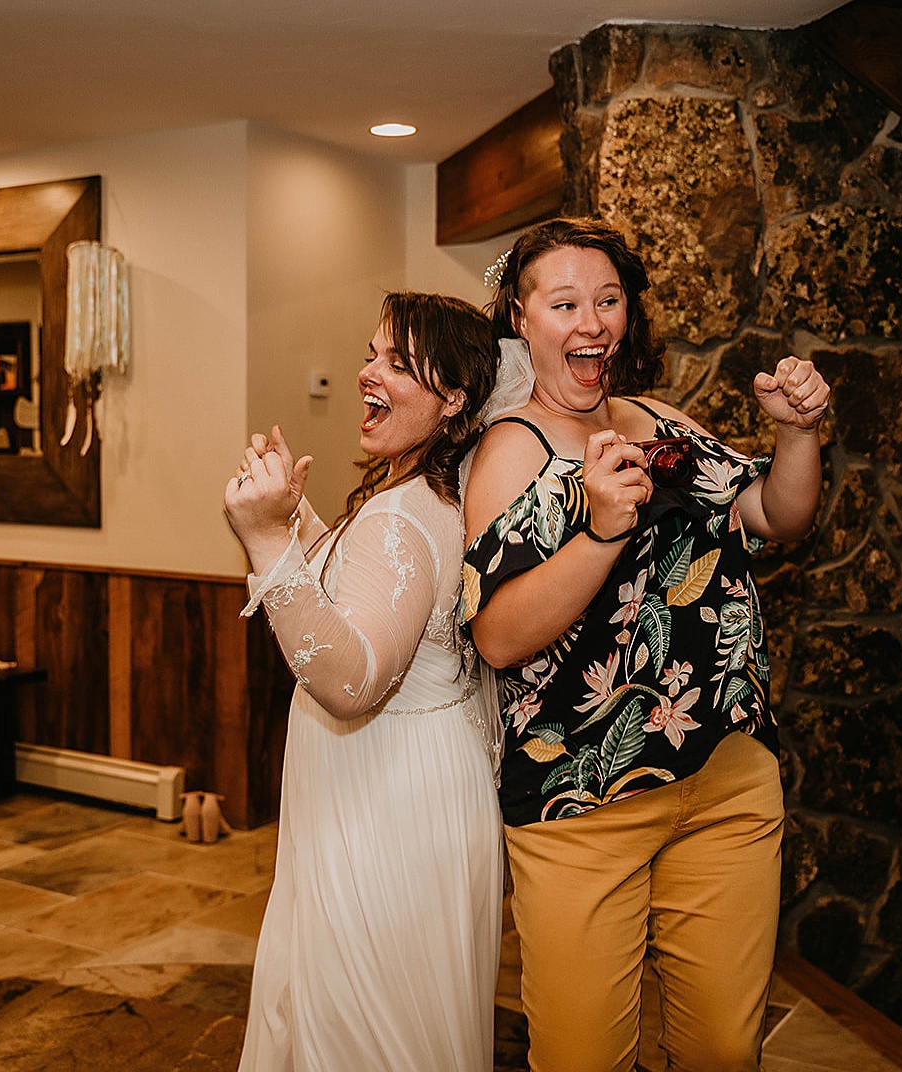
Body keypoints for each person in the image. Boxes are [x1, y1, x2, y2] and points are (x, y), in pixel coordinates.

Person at [461, 217, 830, 1072]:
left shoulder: (659, 421)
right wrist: (597, 533)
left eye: (607, 300)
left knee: (724, 1049)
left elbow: (780, 514)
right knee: (583, 1057)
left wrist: (798, 432)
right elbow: (498, 638)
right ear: (523, 319)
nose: (590, 323)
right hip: (582, 805)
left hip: (727, 782)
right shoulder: (509, 454)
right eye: (563, 303)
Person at [225, 291, 504, 1071]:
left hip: (386, 801)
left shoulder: (400, 514)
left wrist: (261, 539)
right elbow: (370, 596)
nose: (365, 373)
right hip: (417, 785)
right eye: (372, 353)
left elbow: (350, 680)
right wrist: (298, 525)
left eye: (395, 361)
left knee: (362, 1029)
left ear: (454, 398)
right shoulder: (437, 496)